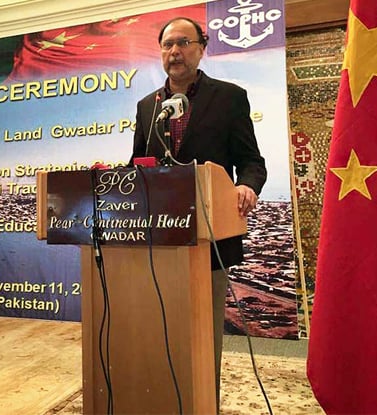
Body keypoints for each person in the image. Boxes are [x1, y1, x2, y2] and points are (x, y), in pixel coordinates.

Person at [129, 17, 267, 410]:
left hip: (210, 236)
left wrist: (246, 187)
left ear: (201, 48)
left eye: (184, 43)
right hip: (158, 237)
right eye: (167, 45)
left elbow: (251, 162)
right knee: (157, 327)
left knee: (204, 335)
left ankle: (204, 402)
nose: (175, 51)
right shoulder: (146, 107)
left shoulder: (229, 97)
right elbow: (138, 164)